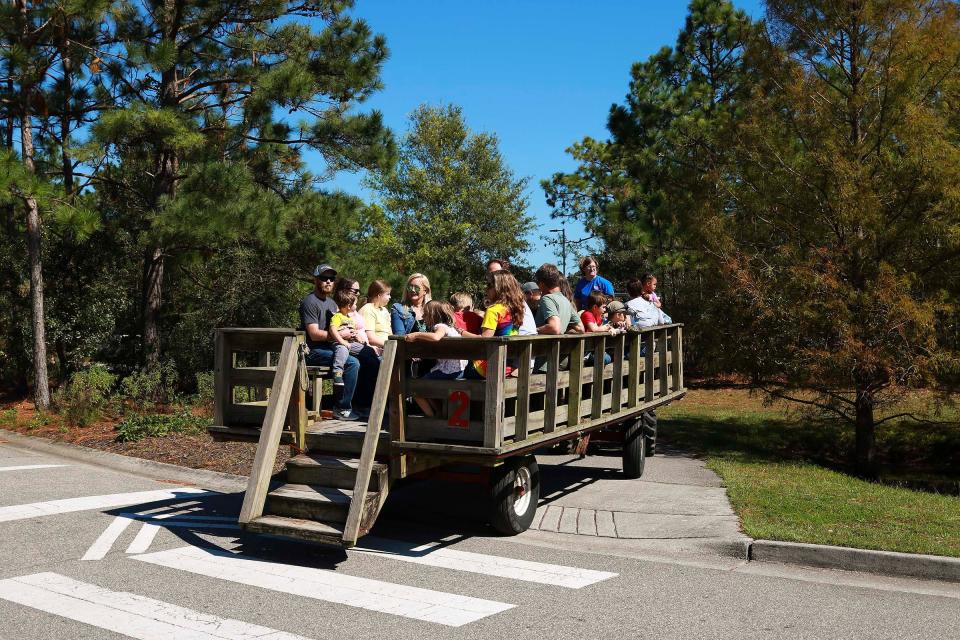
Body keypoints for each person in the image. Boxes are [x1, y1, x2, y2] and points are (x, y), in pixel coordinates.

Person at [299, 264, 363, 420]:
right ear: (316, 280)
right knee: (352, 363)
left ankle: (363, 405)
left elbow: (339, 325)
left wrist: (351, 333)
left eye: (331, 278)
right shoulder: (309, 302)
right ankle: (341, 408)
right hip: (313, 351)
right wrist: (340, 335)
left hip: (331, 347)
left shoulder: (332, 304)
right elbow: (314, 335)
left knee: (367, 355)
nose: (328, 281)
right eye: (324, 278)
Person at [404, 300, 466, 416]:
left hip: (448, 371)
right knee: (424, 386)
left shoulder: (440, 326)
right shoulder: (450, 328)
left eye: (426, 314)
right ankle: (438, 413)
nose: (423, 316)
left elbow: (436, 337)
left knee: (416, 389)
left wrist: (416, 334)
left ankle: (432, 417)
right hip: (458, 370)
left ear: (434, 316)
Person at [462, 270, 525, 378]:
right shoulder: (516, 309)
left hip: (487, 368)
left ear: (499, 288)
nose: (486, 289)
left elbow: (484, 339)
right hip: (507, 367)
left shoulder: (493, 310)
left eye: (490, 285)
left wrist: (462, 332)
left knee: (455, 372)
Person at [329, 290, 366, 387]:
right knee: (342, 350)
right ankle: (337, 373)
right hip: (340, 343)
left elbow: (353, 331)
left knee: (366, 350)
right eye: (355, 304)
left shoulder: (350, 319)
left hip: (351, 343)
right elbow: (332, 329)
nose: (356, 306)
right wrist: (341, 341)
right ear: (349, 306)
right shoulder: (337, 316)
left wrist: (358, 337)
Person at [534, 263, 584, 335]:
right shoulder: (566, 301)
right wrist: (563, 329)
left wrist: (533, 330)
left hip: (544, 345)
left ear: (542, 283)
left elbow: (555, 328)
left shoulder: (547, 298)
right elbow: (580, 328)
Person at [359, 279, 392, 355]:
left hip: (387, 349)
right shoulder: (368, 309)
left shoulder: (384, 310)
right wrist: (392, 345)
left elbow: (390, 334)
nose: (390, 297)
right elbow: (370, 338)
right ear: (379, 295)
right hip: (375, 351)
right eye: (388, 294)